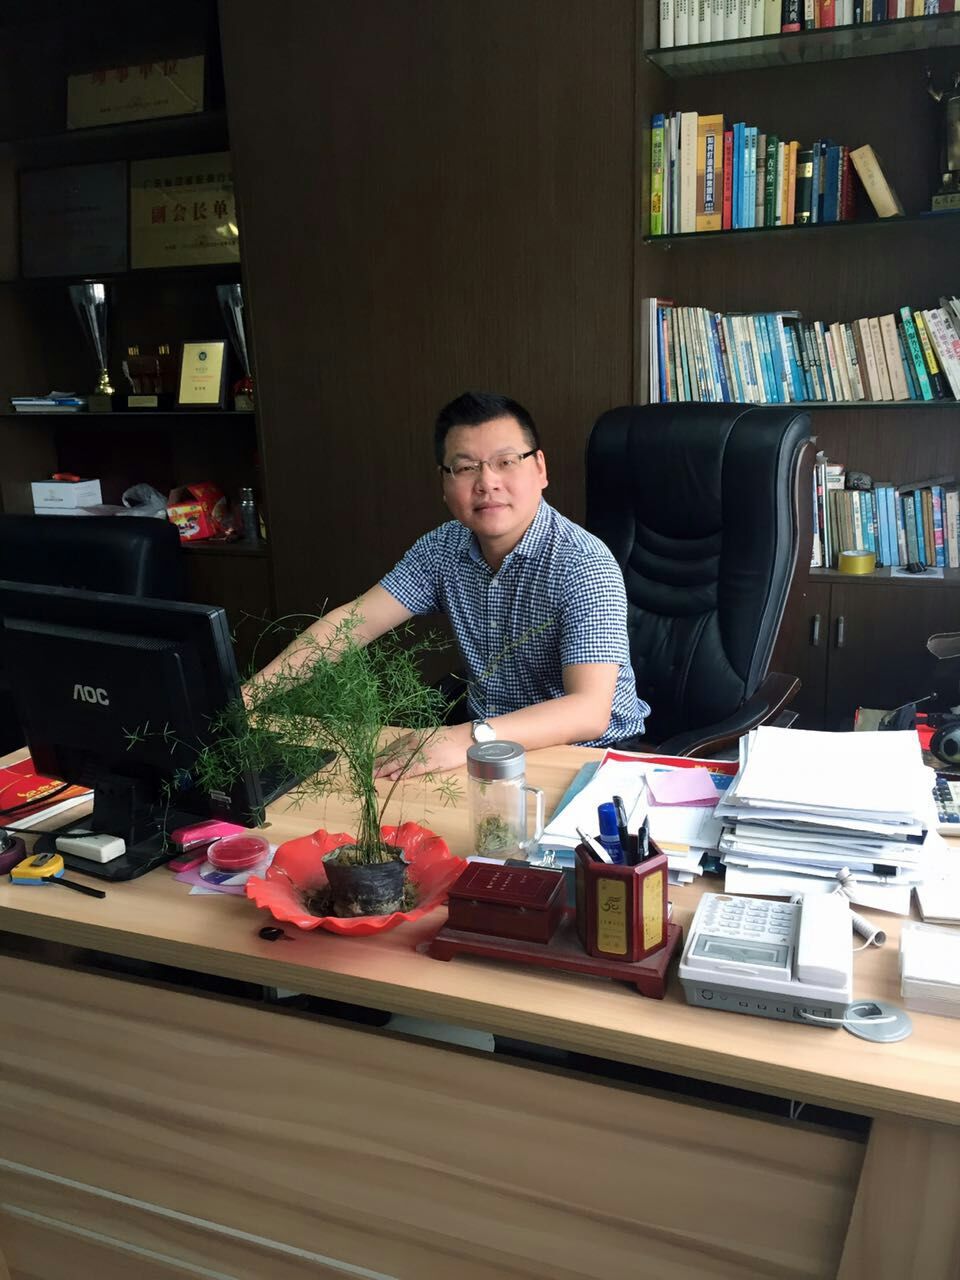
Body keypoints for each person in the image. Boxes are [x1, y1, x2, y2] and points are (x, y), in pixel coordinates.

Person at [250, 391, 650, 777]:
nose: (487, 482)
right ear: (444, 483)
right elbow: (351, 625)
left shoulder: (582, 562)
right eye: (465, 467)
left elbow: (589, 711)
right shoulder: (442, 548)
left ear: (540, 469)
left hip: (588, 759)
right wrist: (249, 697)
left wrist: (465, 737)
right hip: (487, 751)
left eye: (506, 461)